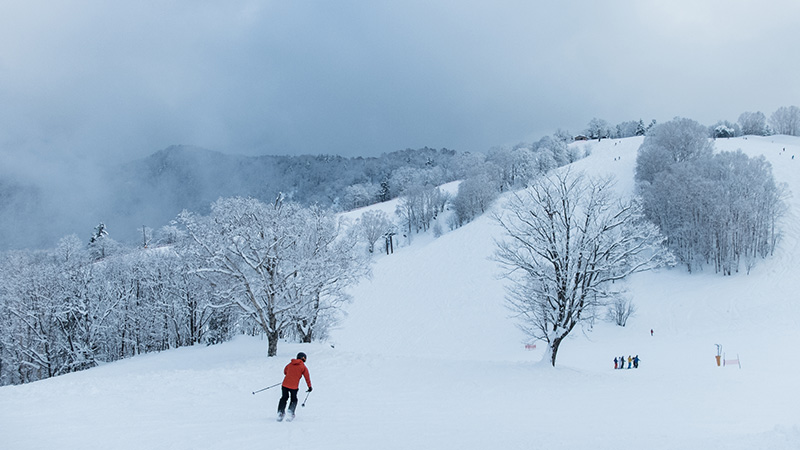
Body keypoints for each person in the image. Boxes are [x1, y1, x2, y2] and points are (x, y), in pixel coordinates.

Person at [277, 352, 312, 422]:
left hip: (285, 384)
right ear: (304, 358)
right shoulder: (303, 367)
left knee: (284, 398)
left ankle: (280, 412)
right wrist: (309, 386)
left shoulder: (290, 364)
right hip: (294, 387)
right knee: (294, 399)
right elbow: (307, 377)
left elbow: (285, 371)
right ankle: (290, 412)